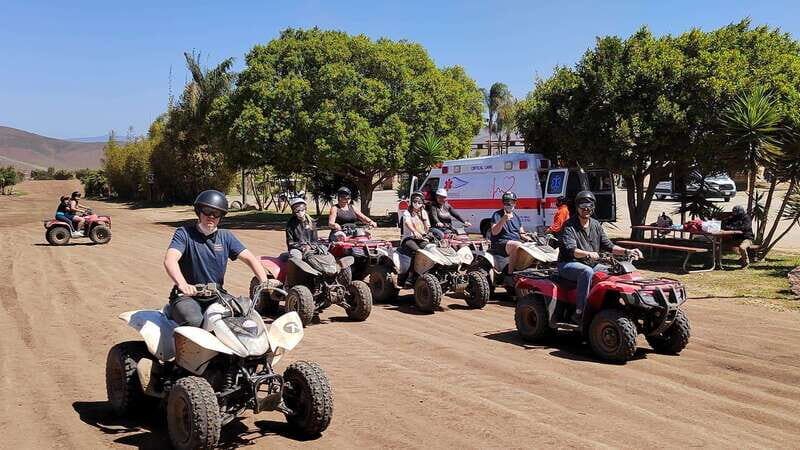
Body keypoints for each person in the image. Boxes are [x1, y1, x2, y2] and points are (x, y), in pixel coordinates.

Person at [163, 190, 269, 327]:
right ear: (199, 212)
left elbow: (250, 258)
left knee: (243, 315)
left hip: (216, 295)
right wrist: (183, 284)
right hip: (187, 296)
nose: (211, 216)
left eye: (216, 213)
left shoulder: (225, 237)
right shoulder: (184, 234)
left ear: (221, 217)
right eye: (207, 211)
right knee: (194, 321)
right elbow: (170, 260)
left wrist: (264, 281)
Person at [558, 191, 643, 324]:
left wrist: (628, 251)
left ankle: (611, 305)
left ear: (593, 207)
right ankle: (580, 312)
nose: (586, 208)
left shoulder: (596, 225)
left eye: (589, 205)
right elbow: (572, 251)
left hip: (591, 263)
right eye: (583, 205)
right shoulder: (569, 226)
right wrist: (588, 253)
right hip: (568, 264)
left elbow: (609, 246)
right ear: (577, 207)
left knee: (616, 271)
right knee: (586, 272)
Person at [489, 191, 533, 279]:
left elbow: (522, 233)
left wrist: (530, 239)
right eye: (506, 202)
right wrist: (503, 219)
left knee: (532, 246)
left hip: (514, 242)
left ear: (515, 203)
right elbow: (494, 232)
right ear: (503, 203)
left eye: (511, 202)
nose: (509, 204)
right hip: (500, 242)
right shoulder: (497, 214)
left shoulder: (516, 217)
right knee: (516, 245)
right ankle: (510, 275)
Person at [401, 192, 431, 282]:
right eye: (415, 201)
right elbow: (407, 223)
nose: (417, 203)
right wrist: (414, 231)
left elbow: (427, 227)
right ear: (411, 202)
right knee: (417, 252)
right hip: (409, 239)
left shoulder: (423, 212)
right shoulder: (407, 213)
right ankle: (411, 276)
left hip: (421, 239)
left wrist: (426, 228)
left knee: (431, 250)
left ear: (422, 203)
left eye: (419, 202)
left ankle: (427, 272)